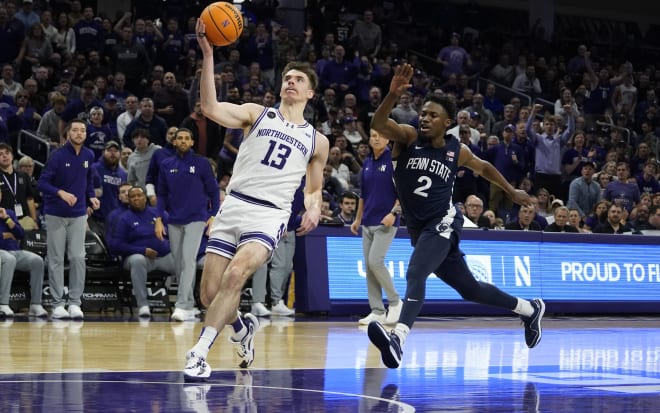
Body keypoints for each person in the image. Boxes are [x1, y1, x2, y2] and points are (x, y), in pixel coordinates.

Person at [366, 64, 543, 370]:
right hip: (421, 229)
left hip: (445, 221)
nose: (425, 118)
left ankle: (398, 339)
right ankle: (529, 310)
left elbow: (484, 167)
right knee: (470, 290)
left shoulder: (455, 149)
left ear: (447, 122)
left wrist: (511, 191)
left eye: (433, 115)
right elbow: (379, 122)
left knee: (416, 272)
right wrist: (392, 95)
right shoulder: (407, 138)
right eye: (423, 113)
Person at [183, 18, 329, 381]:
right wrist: (207, 55)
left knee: (236, 275)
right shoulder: (256, 113)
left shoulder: (317, 141)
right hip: (234, 205)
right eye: (287, 78)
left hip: (270, 215)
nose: (290, 82)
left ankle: (199, 352)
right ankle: (242, 330)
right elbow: (211, 106)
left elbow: (313, 187)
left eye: (299, 80)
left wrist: (313, 208)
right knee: (210, 293)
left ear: (310, 93)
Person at [155, 128, 219, 322]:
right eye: (179, 138)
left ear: (192, 142)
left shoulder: (201, 163)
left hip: (196, 218)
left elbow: (214, 191)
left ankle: (181, 305)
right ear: (174, 142)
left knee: (188, 260)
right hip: (174, 219)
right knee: (178, 263)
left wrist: (213, 215)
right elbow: (162, 195)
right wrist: (158, 219)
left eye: (187, 138)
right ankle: (190, 306)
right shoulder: (166, 164)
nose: (183, 141)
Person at [38, 119, 100, 319]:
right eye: (75, 130)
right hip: (56, 213)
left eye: (83, 130)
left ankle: (74, 302)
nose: (79, 133)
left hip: (79, 214)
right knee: (56, 259)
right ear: (67, 134)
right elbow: (42, 183)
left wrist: (91, 196)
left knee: (78, 257)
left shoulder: (89, 155)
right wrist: (60, 193)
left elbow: (88, 179)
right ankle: (57, 304)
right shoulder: (56, 156)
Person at [350, 129, 401, 326]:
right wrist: (357, 219)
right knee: (370, 267)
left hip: (386, 221)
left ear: (388, 138)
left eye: (380, 135)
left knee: (376, 261)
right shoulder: (368, 163)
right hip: (367, 222)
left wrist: (394, 213)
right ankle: (377, 310)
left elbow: (403, 193)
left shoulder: (394, 161)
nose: (376, 138)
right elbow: (363, 195)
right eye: (372, 135)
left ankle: (396, 302)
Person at [114, 185, 176, 318]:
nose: (136, 198)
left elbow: (175, 234)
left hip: (164, 257)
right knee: (138, 260)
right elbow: (117, 245)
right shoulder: (124, 219)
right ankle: (143, 305)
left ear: (145, 198)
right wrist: (142, 250)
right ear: (128, 200)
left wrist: (169, 245)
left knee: (184, 260)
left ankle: (185, 304)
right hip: (139, 258)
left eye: (139, 195)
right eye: (132, 196)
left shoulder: (159, 214)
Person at [0, 195, 47, 318]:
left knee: (37, 261)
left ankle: (36, 304)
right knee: (9, 260)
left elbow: (20, 234)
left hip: (15, 251)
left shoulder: (8, 212)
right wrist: (6, 235)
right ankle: (3, 304)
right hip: (2, 252)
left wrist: (7, 219)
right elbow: (5, 236)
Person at [0, 143, 38, 230]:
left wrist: (34, 220)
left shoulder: (23, 175)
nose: (4, 156)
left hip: (24, 220)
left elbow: (30, 199)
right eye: (0, 154)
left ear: (12, 156)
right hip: (4, 221)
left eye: (7, 153)